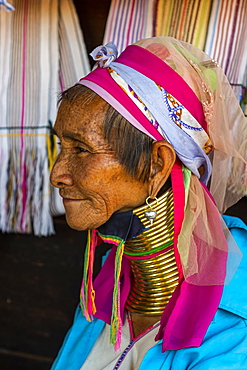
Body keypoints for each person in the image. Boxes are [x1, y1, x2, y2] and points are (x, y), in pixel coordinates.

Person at [50, 37, 247, 369]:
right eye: (61, 147)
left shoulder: (235, 325)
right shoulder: (109, 283)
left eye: (81, 150)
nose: (58, 174)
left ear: (157, 164)